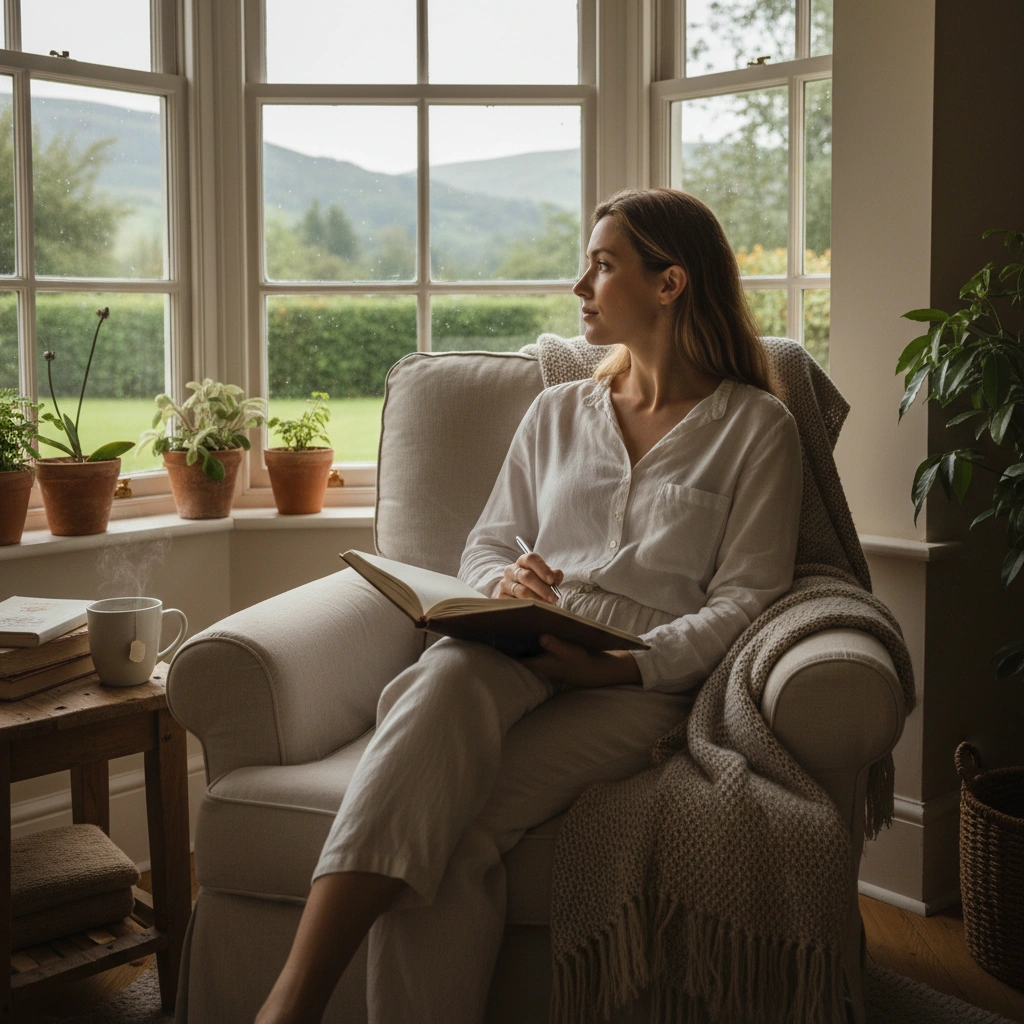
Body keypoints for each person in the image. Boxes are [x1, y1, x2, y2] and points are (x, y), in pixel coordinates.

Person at [255, 188, 803, 1024]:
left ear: (670, 283)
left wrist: (624, 665)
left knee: (450, 825)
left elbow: (747, 600)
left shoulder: (758, 428)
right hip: (519, 637)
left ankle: (288, 1006)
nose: (579, 284)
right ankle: (296, 997)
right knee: (442, 685)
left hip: (637, 681)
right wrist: (502, 584)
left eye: (603, 265)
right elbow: (486, 544)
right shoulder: (556, 411)